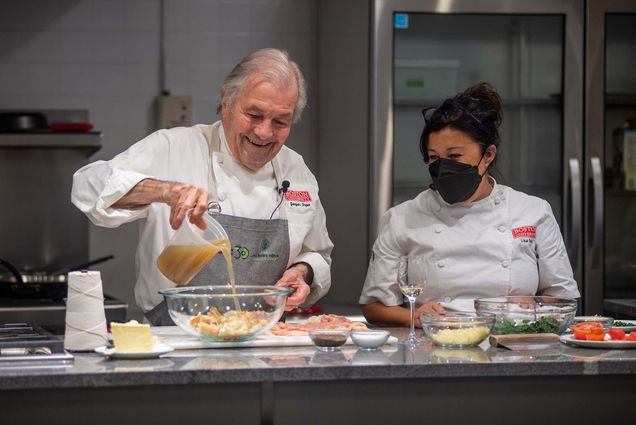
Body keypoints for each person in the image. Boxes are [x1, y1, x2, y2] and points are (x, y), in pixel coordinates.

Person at [72, 48, 333, 325]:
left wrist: (302, 272)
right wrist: (163, 191)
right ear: (226, 101)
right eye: (254, 115)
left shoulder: (296, 170)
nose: (264, 132)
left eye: (281, 121)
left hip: (264, 339)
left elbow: (317, 253)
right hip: (178, 340)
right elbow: (88, 186)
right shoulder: (175, 147)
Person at [359, 82, 580, 327]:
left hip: (514, 345)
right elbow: (374, 306)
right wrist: (417, 316)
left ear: (488, 155)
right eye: (434, 157)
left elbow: (563, 299)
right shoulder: (403, 218)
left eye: (454, 156)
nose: (443, 166)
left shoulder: (533, 211)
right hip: (437, 346)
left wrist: (533, 308)